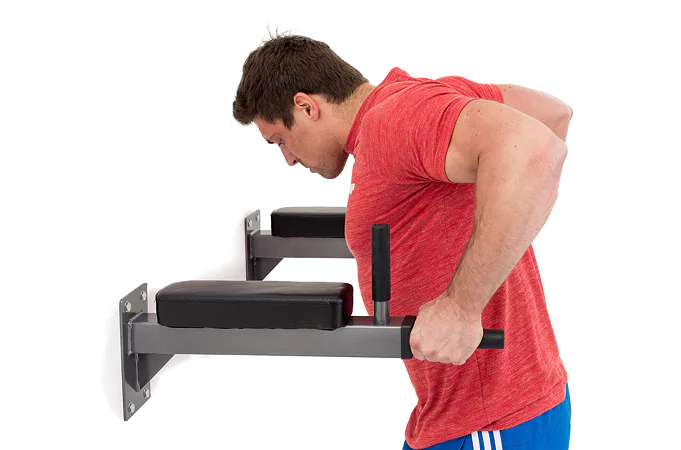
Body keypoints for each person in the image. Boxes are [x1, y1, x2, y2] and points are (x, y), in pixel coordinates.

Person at [233, 32, 573, 450]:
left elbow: (538, 150)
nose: (287, 158)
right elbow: (554, 116)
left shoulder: (397, 118)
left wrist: (462, 306)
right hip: (472, 414)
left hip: (492, 420)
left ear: (306, 106)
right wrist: (494, 224)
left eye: (280, 140)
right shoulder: (413, 103)